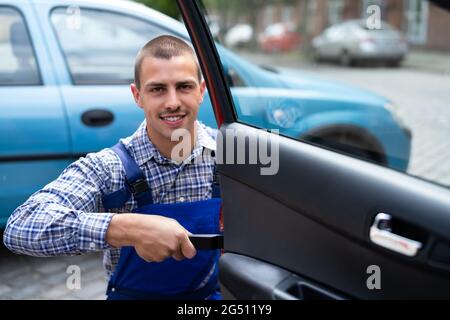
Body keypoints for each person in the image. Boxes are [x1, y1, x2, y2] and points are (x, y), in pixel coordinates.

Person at [3, 35, 222, 300]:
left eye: (184, 87)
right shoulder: (110, 167)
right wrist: (128, 229)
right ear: (137, 95)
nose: (172, 102)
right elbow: (22, 226)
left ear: (201, 91)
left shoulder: (228, 154)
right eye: (158, 89)